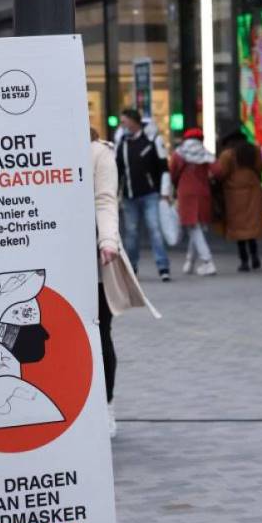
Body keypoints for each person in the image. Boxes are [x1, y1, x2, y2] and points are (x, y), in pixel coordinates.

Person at [91, 127, 159, 437]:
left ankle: (105, 406)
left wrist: (107, 241)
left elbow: (105, 201)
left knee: (100, 330)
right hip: (52, 259)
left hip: (93, 257)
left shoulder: (98, 152)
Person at [116, 109, 171, 281]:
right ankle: (132, 268)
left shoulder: (152, 140)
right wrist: (115, 192)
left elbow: (164, 168)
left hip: (150, 194)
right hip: (129, 196)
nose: (122, 125)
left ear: (134, 122)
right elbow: (118, 170)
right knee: (131, 233)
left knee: (155, 230)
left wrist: (164, 192)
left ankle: (163, 267)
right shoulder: (122, 143)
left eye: (124, 121)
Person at [170, 128, 218, 276]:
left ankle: (207, 261)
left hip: (186, 194)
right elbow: (219, 171)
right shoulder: (205, 154)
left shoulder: (179, 154)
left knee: (193, 228)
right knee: (196, 228)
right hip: (203, 194)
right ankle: (190, 262)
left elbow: (172, 173)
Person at [216, 129, 262, 272]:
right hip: (254, 191)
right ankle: (255, 256)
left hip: (234, 195)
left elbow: (221, 173)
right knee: (251, 228)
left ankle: (244, 261)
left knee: (239, 230)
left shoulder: (228, 155)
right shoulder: (254, 151)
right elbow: (260, 168)